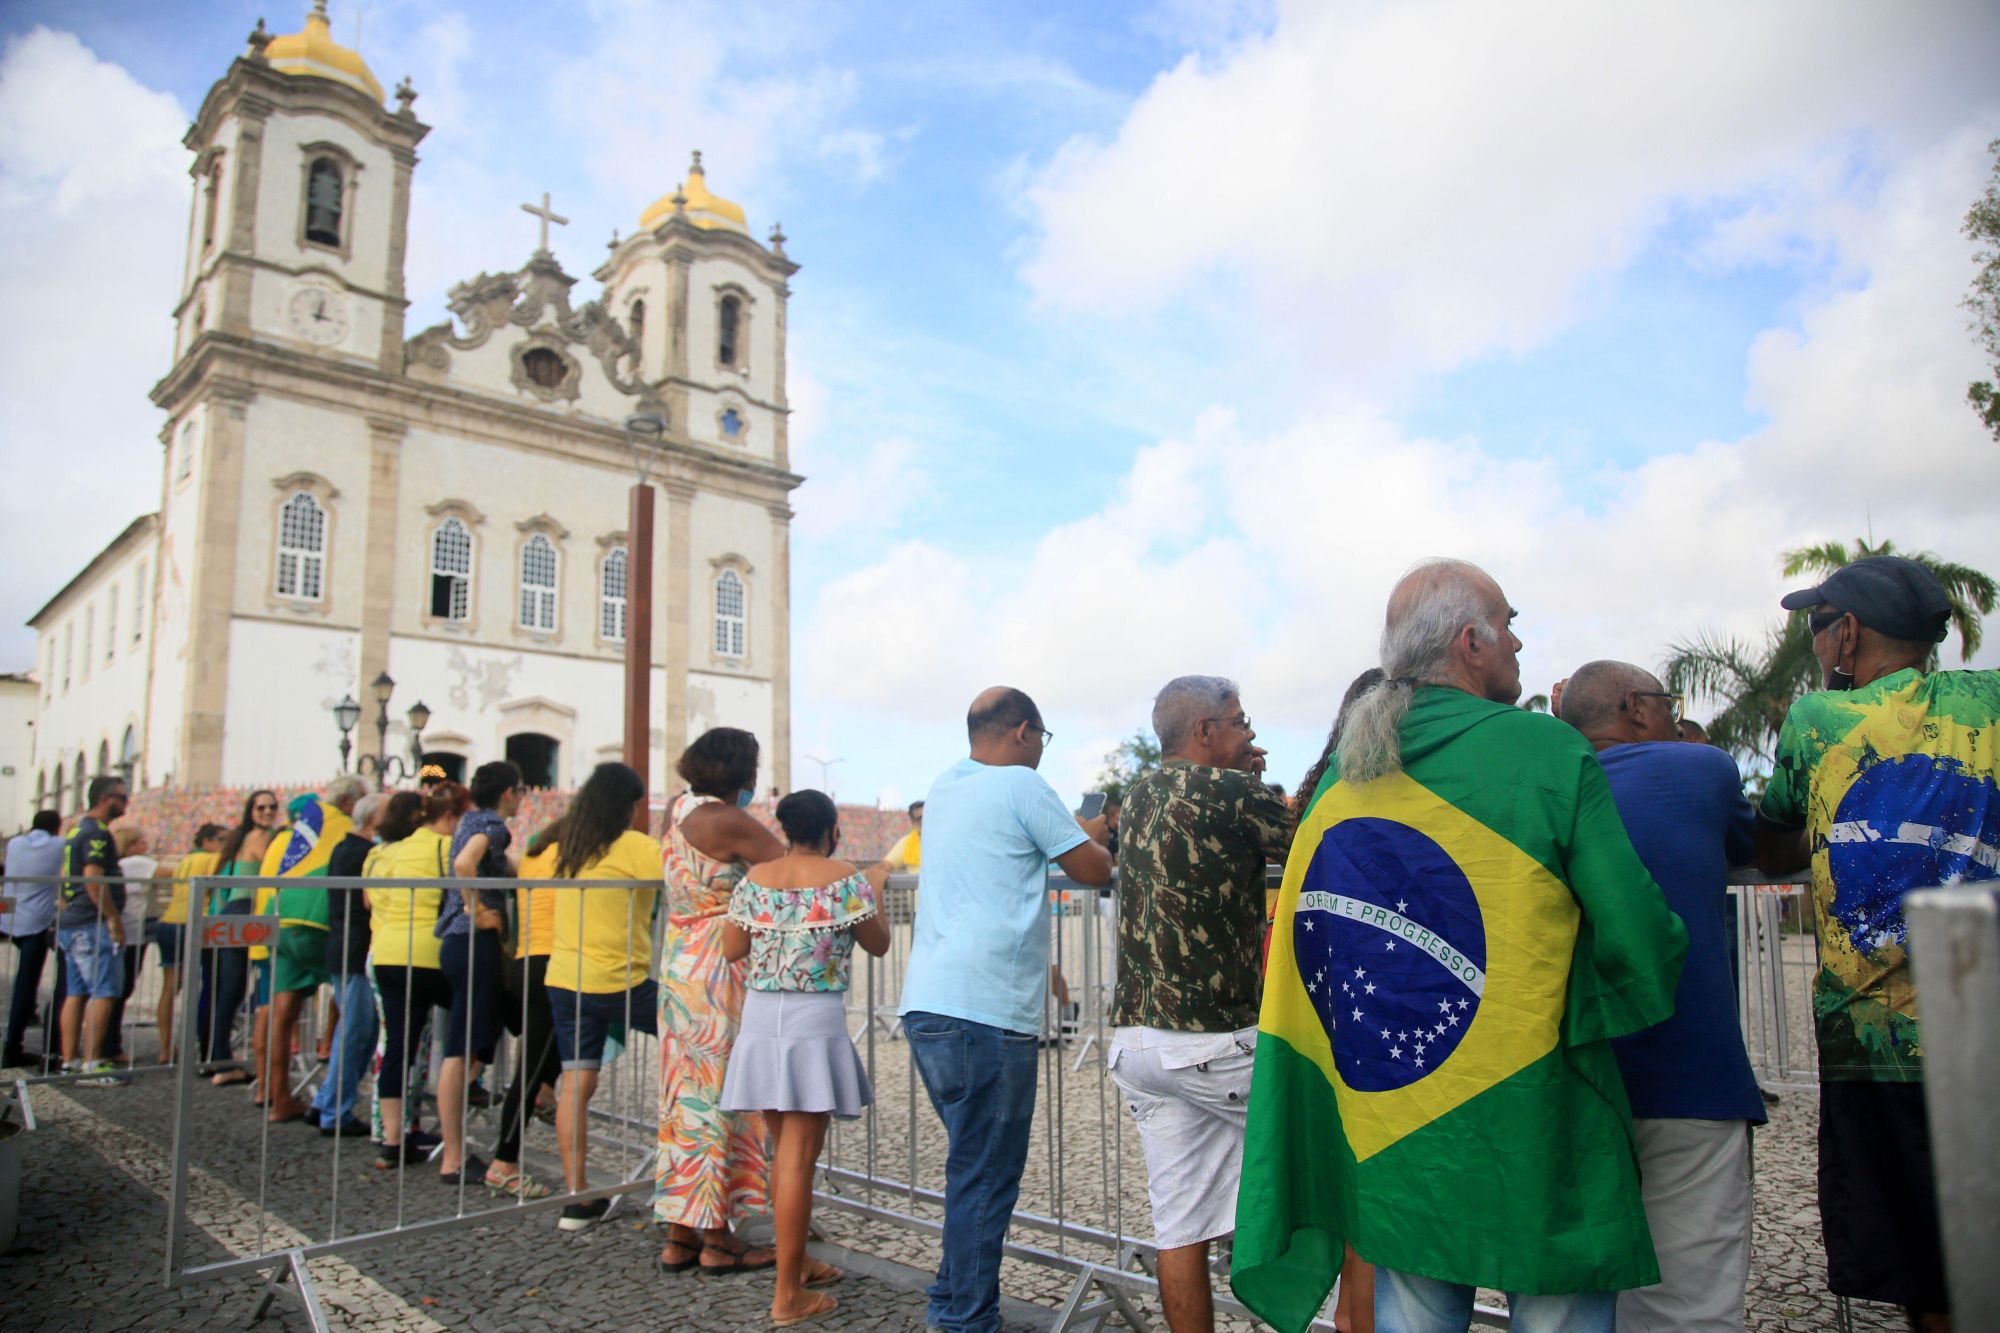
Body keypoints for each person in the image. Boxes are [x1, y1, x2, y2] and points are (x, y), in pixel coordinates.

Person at [1230, 559, 1687, 1333]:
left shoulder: (1348, 774)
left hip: (1397, 1121)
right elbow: (1639, 935)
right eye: (1510, 624)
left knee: (1414, 1306)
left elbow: (1316, 952)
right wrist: (1586, 1002)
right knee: (1560, 1296)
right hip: (1537, 1104)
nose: (1518, 642)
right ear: (1471, 642)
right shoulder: (1545, 751)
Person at [1755, 555, 1997, 1333]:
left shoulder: (1816, 721)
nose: (1817, 645)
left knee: (1927, 1263)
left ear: (1848, 632)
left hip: (1876, 1037)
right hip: (1984, 1024)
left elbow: (1775, 841)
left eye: (1817, 628)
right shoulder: (1991, 701)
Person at [897, 686, 1113, 1333]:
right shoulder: (1023, 785)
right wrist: (1101, 833)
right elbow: (1093, 867)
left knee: (972, 1164)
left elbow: (1027, 847)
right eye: (1043, 740)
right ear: (1024, 731)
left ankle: (951, 1297)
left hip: (930, 1003)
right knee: (985, 1176)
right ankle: (963, 1319)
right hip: (989, 1010)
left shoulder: (945, 787)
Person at [1559, 660, 1765, 1331]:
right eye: (1669, 704)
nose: (1677, 717)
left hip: (1570, 1079)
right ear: (1637, 707)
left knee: (1576, 1297)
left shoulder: (1545, 785)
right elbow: (1758, 837)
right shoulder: (1700, 769)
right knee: (1690, 1301)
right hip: (1689, 1078)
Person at [1112, 676, 1293, 1333]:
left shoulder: (1135, 795)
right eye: (1241, 723)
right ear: (1205, 732)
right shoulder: (1237, 792)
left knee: (1179, 1224)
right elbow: (1310, 833)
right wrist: (1259, 785)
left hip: (1136, 1042)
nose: (1251, 735)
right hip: (1210, 1041)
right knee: (1331, 1162)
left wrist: (1247, 779)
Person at [718, 789, 891, 1323]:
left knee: (782, 1154)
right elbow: (879, 943)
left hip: (761, 1016)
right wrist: (874, 888)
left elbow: (732, 948)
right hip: (811, 1020)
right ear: (832, 829)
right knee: (798, 1159)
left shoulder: (757, 879)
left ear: (786, 828)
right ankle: (787, 1294)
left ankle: (798, 1262)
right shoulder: (846, 879)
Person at [656, 728, 786, 1267]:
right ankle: (718, 1238)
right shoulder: (728, 821)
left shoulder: (676, 809)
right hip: (720, 965)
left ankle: (681, 1231)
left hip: (679, 960)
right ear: (743, 773)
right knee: (723, 1097)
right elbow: (787, 867)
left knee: (684, 1098)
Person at [542, 762, 664, 1231]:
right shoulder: (635, 847)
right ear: (631, 805)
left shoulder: (571, 845)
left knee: (575, 1085)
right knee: (696, 1040)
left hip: (565, 977)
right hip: (619, 981)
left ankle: (577, 1196)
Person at [436, 761, 522, 1185]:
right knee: (461, 1049)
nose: (523, 798)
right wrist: (476, 908)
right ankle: (453, 1157)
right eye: (521, 790)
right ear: (508, 792)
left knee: (467, 1043)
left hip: (455, 942)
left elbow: (506, 868)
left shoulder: (470, 819)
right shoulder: (493, 824)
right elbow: (466, 865)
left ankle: (455, 1149)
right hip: (473, 940)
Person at [367, 785, 461, 1170]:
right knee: (474, 1018)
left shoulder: (389, 851)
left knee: (397, 1049)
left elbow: (373, 900)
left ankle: (391, 1139)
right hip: (428, 953)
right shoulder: (443, 848)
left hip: (387, 952)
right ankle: (463, 1088)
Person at [258, 784, 358, 1123]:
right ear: (348, 802)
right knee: (351, 996)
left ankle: (278, 1097)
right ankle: (332, 1086)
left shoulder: (300, 827)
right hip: (317, 916)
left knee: (282, 1011)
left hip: (280, 913)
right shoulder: (344, 822)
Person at [487, 818, 563, 1200]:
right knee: (530, 1068)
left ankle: (546, 1091)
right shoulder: (569, 857)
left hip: (524, 962)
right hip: (549, 963)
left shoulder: (533, 857)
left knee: (546, 1053)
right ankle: (504, 1161)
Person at [197, 789, 282, 1085]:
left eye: (272, 806)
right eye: (262, 807)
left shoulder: (236, 838)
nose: (268, 811)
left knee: (224, 989)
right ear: (251, 810)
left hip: (229, 910)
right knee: (232, 989)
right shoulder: (262, 839)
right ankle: (221, 1061)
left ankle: (214, 1055)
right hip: (247, 911)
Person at [55, 775, 133, 1084]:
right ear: (105, 798)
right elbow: (93, 880)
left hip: (72, 921)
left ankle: (70, 1059)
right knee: (104, 991)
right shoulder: (97, 834)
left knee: (75, 992)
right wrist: (112, 918)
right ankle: (93, 1062)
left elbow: (65, 874)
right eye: (122, 797)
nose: (125, 803)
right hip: (91, 923)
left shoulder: (75, 829)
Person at [314, 793, 381, 1137]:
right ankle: (334, 1110)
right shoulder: (363, 853)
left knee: (355, 1031)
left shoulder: (344, 848)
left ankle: (326, 1101)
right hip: (354, 950)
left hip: (343, 947)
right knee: (356, 1032)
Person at [3, 809, 66, 1070]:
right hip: (37, 922)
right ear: (56, 828)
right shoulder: (59, 845)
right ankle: (12, 1047)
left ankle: (28, 1016)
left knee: (26, 983)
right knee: (26, 984)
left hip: (11, 918)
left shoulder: (16, 843)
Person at [104, 824, 160, 1064]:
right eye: (141, 841)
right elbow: (173, 872)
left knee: (116, 989)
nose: (145, 846)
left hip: (125, 930)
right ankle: (109, 1045)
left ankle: (108, 1042)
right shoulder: (138, 863)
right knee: (121, 989)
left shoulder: (120, 865)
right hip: (131, 933)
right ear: (132, 845)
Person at [880, 801, 923, 872]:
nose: (925, 820)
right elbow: (886, 866)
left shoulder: (944, 840)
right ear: (913, 822)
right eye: (920, 818)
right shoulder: (908, 842)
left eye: (929, 816)